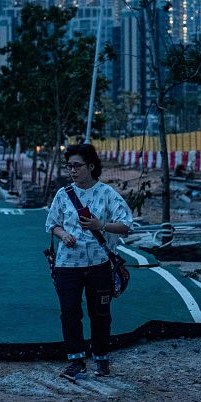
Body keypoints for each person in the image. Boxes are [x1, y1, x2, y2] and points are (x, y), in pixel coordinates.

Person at [45, 143, 133, 381]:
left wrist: (100, 226)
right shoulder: (63, 194)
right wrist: (64, 235)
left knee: (100, 313)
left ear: (91, 166)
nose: (72, 170)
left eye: (77, 166)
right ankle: (76, 360)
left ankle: (101, 359)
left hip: (99, 264)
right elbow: (52, 224)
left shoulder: (107, 194)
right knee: (69, 313)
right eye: (69, 166)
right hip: (67, 265)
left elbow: (126, 225)